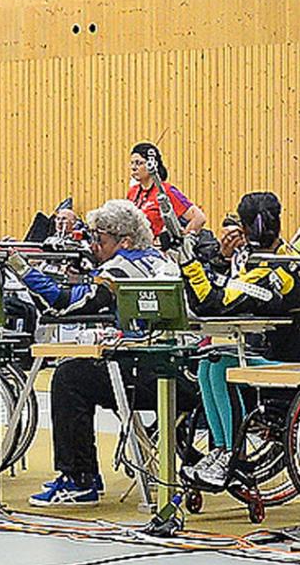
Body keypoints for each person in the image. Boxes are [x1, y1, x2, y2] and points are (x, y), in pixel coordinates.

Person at [20, 199, 182, 506]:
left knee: (70, 378)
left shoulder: (118, 268)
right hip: (175, 368)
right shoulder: (159, 258)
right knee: (81, 373)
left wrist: (23, 270)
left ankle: (79, 479)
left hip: (148, 372)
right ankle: (83, 474)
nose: (93, 245)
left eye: (100, 239)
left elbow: (66, 303)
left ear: (126, 241)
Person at [175, 191, 300, 488]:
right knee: (210, 363)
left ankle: (230, 454)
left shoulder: (276, 267)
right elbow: (230, 295)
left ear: (245, 229)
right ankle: (221, 450)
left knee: (220, 365)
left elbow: (214, 302)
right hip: (278, 354)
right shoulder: (268, 258)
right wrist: (221, 260)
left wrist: (189, 262)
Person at [126, 142, 206, 241]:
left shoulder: (166, 191)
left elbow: (199, 218)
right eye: (132, 163)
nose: (134, 168)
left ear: (152, 164)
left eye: (139, 163)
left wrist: (182, 241)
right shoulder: (133, 192)